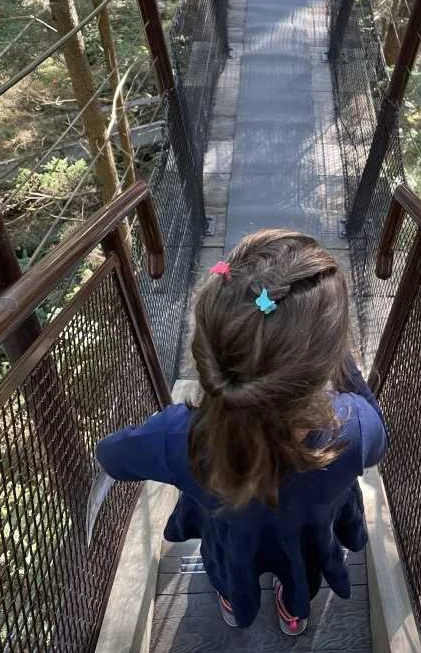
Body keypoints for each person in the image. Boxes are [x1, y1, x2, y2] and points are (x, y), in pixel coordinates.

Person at [96, 229, 387, 636]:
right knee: (300, 567)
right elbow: (378, 437)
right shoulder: (353, 428)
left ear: (211, 349)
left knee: (231, 563)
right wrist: (346, 367)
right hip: (306, 531)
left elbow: (112, 455)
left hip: (232, 536)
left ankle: (234, 599)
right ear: (326, 361)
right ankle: (293, 608)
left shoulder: (177, 434)